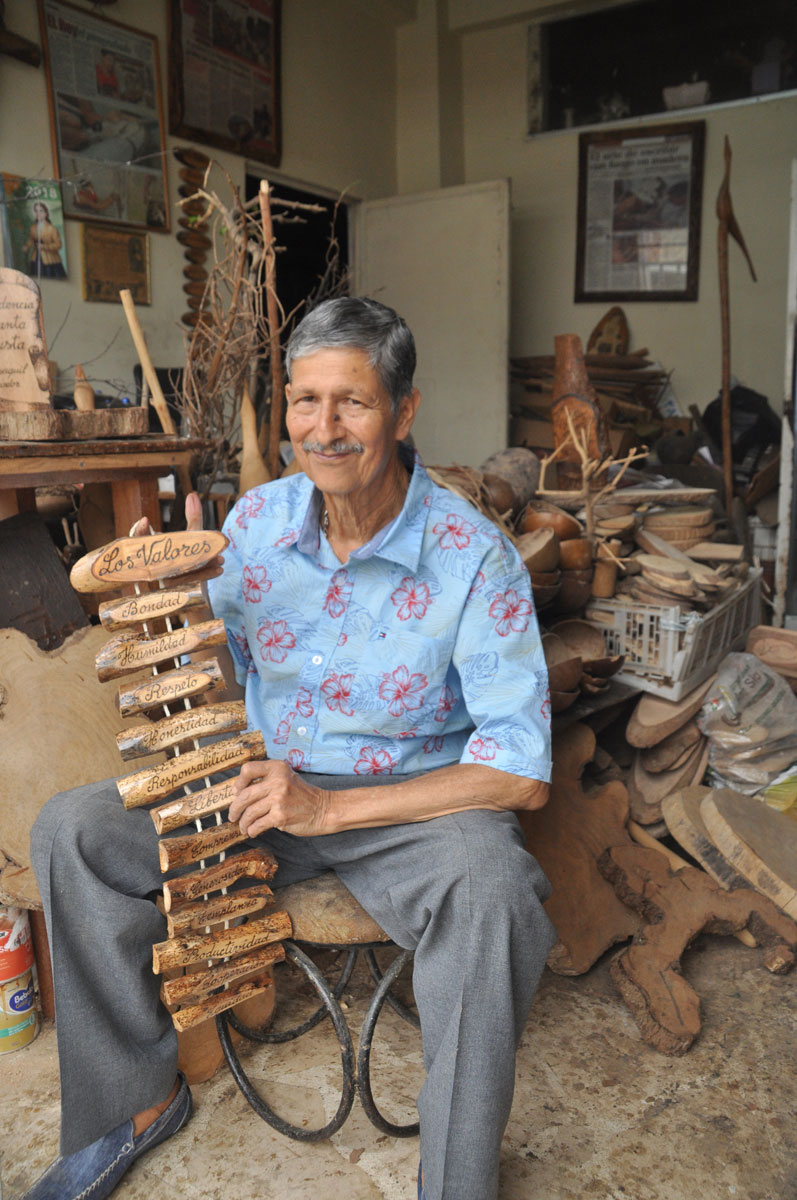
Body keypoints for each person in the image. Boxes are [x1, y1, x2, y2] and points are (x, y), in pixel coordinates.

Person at [26, 297, 555, 1200]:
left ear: (403, 409)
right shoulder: (258, 526)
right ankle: (133, 1106)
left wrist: (333, 808)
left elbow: (519, 772)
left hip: (410, 807)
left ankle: (455, 1179)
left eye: (351, 402)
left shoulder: (475, 559)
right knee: (72, 830)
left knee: (494, 890)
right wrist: (170, 603)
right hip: (257, 787)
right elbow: (214, 667)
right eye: (305, 402)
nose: (324, 428)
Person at [21, 202, 66, 279]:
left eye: (41, 211)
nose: (38, 213)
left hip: (50, 260)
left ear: (46, 213)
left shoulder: (52, 229)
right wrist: (26, 246)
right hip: (36, 257)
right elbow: (31, 240)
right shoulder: (33, 228)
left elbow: (58, 244)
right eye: (36, 211)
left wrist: (44, 246)